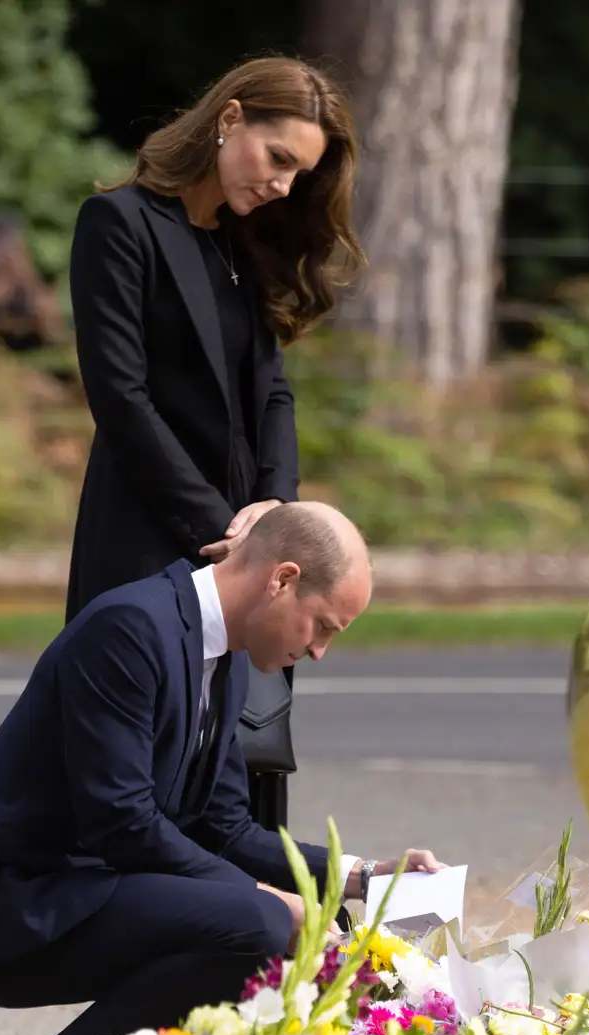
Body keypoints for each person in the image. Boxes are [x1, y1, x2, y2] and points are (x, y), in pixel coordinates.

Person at [0, 503, 445, 1035]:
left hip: (90, 886)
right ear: (281, 579)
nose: (319, 650)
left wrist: (359, 878)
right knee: (259, 925)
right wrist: (270, 899)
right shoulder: (130, 628)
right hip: (15, 903)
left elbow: (223, 826)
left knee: (259, 922)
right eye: (322, 626)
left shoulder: (226, 654)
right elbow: (121, 823)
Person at [65, 54, 365, 833]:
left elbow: (272, 393)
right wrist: (230, 537)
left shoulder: (243, 243)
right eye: (278, 160)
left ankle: (250, 949)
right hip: (146, 539)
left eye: (300, 173)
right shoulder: (120, 223)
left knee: (243, 778)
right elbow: (120, 400)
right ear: (229, 119)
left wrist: (276, 512)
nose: (284, 187)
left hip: (249, 548)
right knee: (141, 785)